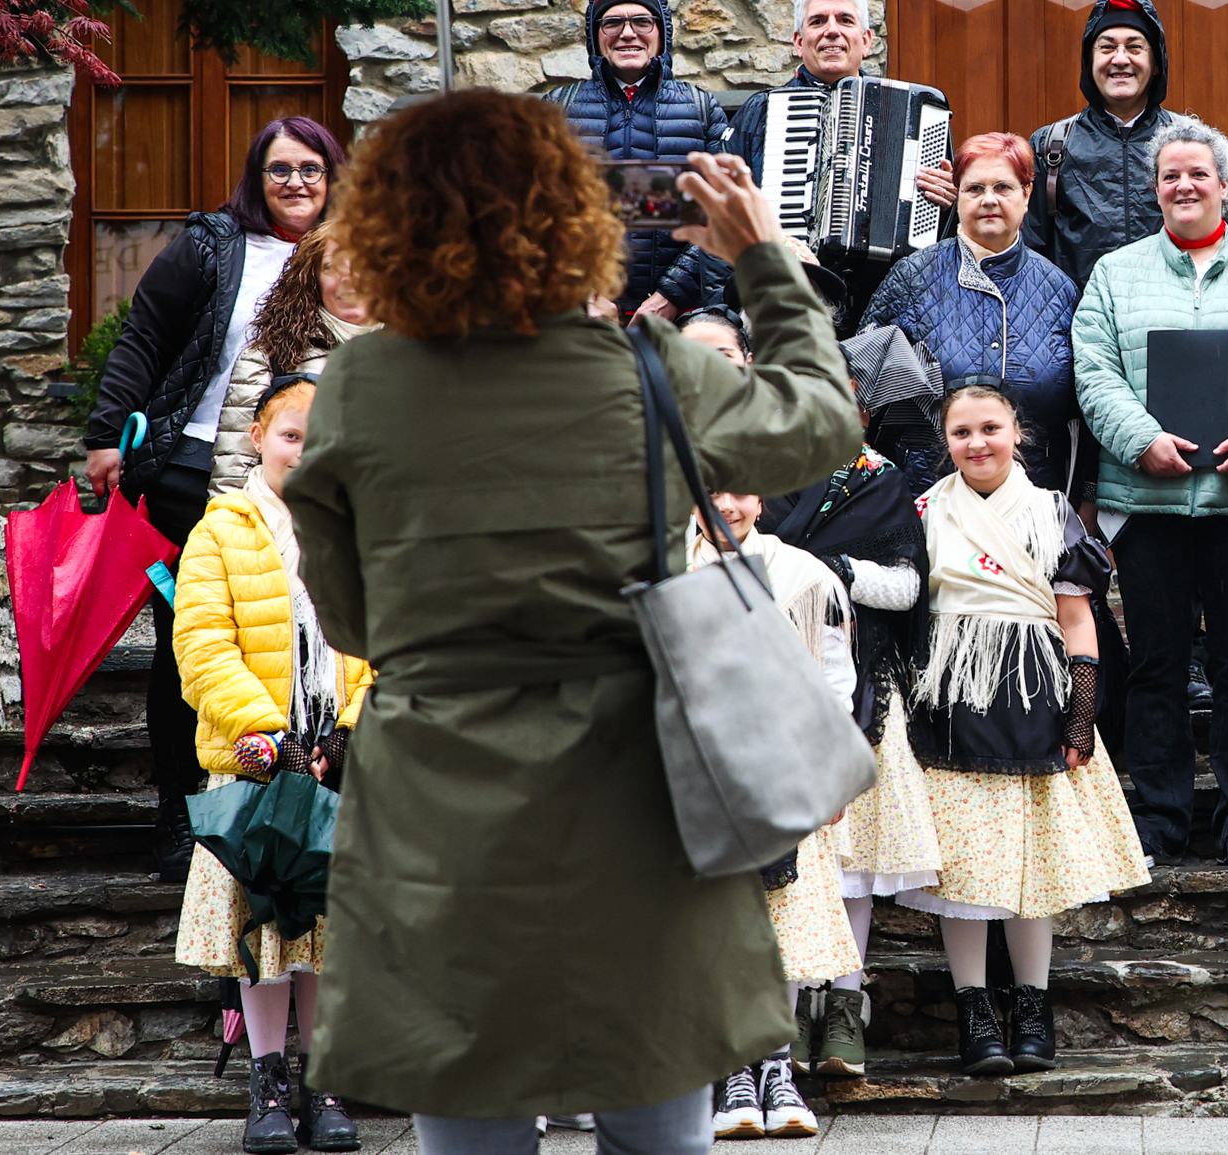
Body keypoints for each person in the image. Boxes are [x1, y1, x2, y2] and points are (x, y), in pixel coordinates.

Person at [288, 95, 861, 1151]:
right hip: (633, 787)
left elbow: (352, 620)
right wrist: (763, 260)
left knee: (468, 1110)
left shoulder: (360, 383)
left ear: (391, 221)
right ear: (574, 216)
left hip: (438, 798)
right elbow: (822, 425)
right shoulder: (647, 368)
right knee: (655, 1114)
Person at [83, 114, 348, 881]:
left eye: (310, 168)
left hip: (309, 481)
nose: (295, 182)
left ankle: (285, 806)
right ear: (256, 178)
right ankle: (180, 811)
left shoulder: (351, 254)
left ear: (333, 177)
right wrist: (106, 434)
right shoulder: (213, 244)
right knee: (192, 643)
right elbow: (145, 334)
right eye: (279, 169)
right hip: (192, 471)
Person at [686, 312, 935, 1084]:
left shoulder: (879, 478)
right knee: (789, 869)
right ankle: (785, 1014)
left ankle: (845, 1006)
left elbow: (908, 585)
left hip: (856, 686)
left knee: (850, 860)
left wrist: (835, 572)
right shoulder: (748, 470)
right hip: (755, 688)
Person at [1071, 118, 1228, 867]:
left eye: (1198, 174)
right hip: (1148, 503)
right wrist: (1140, 438)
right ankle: (1159, 818)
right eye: (1170, 175)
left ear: (1226, 186)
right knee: (1157, 663)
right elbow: (1094, 369)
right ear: (1155, 190)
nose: (1184, 185)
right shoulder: (1115, 274)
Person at [899, 382, 1150, 1076]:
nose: (977, 442)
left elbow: (1076, 618)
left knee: (1034, 864)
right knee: (962, 868)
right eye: (961, 432)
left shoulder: (1052, 511)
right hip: (951, 698)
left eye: (990, 427)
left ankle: (1033, 1008)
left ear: (1018, 432)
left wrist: (1082, 712)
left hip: (1035, 693)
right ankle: (974, 1011)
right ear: (944, 442)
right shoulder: (924, 513)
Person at [172, 373, 371, 1155]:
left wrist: (347, 734)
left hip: (333, 766)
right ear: (257, 436)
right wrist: (269, 732)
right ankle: (268, 1084)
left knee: (323, 935)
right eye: (292, 434)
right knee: (265, 930)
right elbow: (203, 646)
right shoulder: (220, 531)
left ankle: (323, 1083)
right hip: (258, 762)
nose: (306, 450)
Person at [693, 488, 854, 1140]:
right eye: (711, 489)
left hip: (787, 766)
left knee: (784, 922)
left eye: (740, 488)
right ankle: (734, 1071)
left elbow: (835, 676)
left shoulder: (802, 575)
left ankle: (777, 1067)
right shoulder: (668, 574)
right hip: (700, 769)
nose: (726, 504)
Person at [725, 0, 958, 329]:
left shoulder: (916, 113)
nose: (831, 30)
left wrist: (949, 204)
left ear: (866, 41)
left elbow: (946, 232)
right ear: (799, 42)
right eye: (818, 21)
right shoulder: (762, 112)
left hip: (883, 307)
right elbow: (717, 215)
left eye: (845, 20)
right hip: (788, 303)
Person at [860, 133, 1079, 491]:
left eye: (1003, 187)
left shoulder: (1058, 290)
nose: (989, 199)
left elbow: (1078, 414)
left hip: (1032, 498)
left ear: (1026, 195)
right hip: (925, 498)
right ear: (958, 196)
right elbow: (859, 393)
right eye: (975, 189)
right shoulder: (912, 277)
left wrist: (1086, 493)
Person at [545, 0, 729, 320]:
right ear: (595, 36)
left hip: (681, 315)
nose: (627, 33)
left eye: (642, 21)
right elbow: (538, 214)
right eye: (612, 22)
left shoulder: (701, 109)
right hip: (581, 314)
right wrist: (586, 294)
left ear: (661, 33)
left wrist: (669, 297)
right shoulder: (558, 110)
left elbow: (721, 216)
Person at [1024, 0, 1181, 290]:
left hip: (1170, 315)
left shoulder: (1189, 142)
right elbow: (1024, 249)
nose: (1120, 59)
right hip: (1077, 315)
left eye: (1135, 47)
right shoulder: (1050, 145)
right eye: (1107, 47)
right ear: (1089, 61)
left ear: (1156, 63)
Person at [212, 223, 375, 494]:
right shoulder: (270, 354)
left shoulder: (421, 353)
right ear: (312, 279)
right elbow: (234, 468)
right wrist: (229, 517)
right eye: (332, 267)